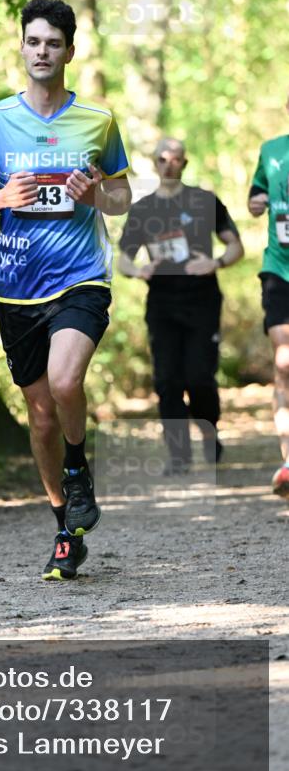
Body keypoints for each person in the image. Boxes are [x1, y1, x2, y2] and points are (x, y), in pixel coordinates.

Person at [0, 0, 131, 581]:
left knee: (68, 380)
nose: (43, 51)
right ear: (21, 47)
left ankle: (78, 470)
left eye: (54, 43)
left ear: (71, 51)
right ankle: (64, 532)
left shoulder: (98, 122)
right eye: (34, 41)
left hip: (80, 279)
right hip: (17, 289)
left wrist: (95, 194)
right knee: (41, 417)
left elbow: (121, 200)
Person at [118, 138, 244, 474]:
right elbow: (123, 260)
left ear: (184, 164)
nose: (168, 164)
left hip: (201, 300)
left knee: (200, 377)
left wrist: (216, 263)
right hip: (161, 302)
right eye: (162, 159)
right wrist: (139, 270)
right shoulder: (143, 209)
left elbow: (235, 246)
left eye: (175, 159)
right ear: (154, 163)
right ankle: (178, 456)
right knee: (168, 380)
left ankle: (209, 430)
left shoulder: (204, 201)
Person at [247, 97, 289, 498]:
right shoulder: (272, 151)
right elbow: (254, 199)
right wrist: (257, 203)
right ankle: (288, 462)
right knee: (285, 360)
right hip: (279, 268)